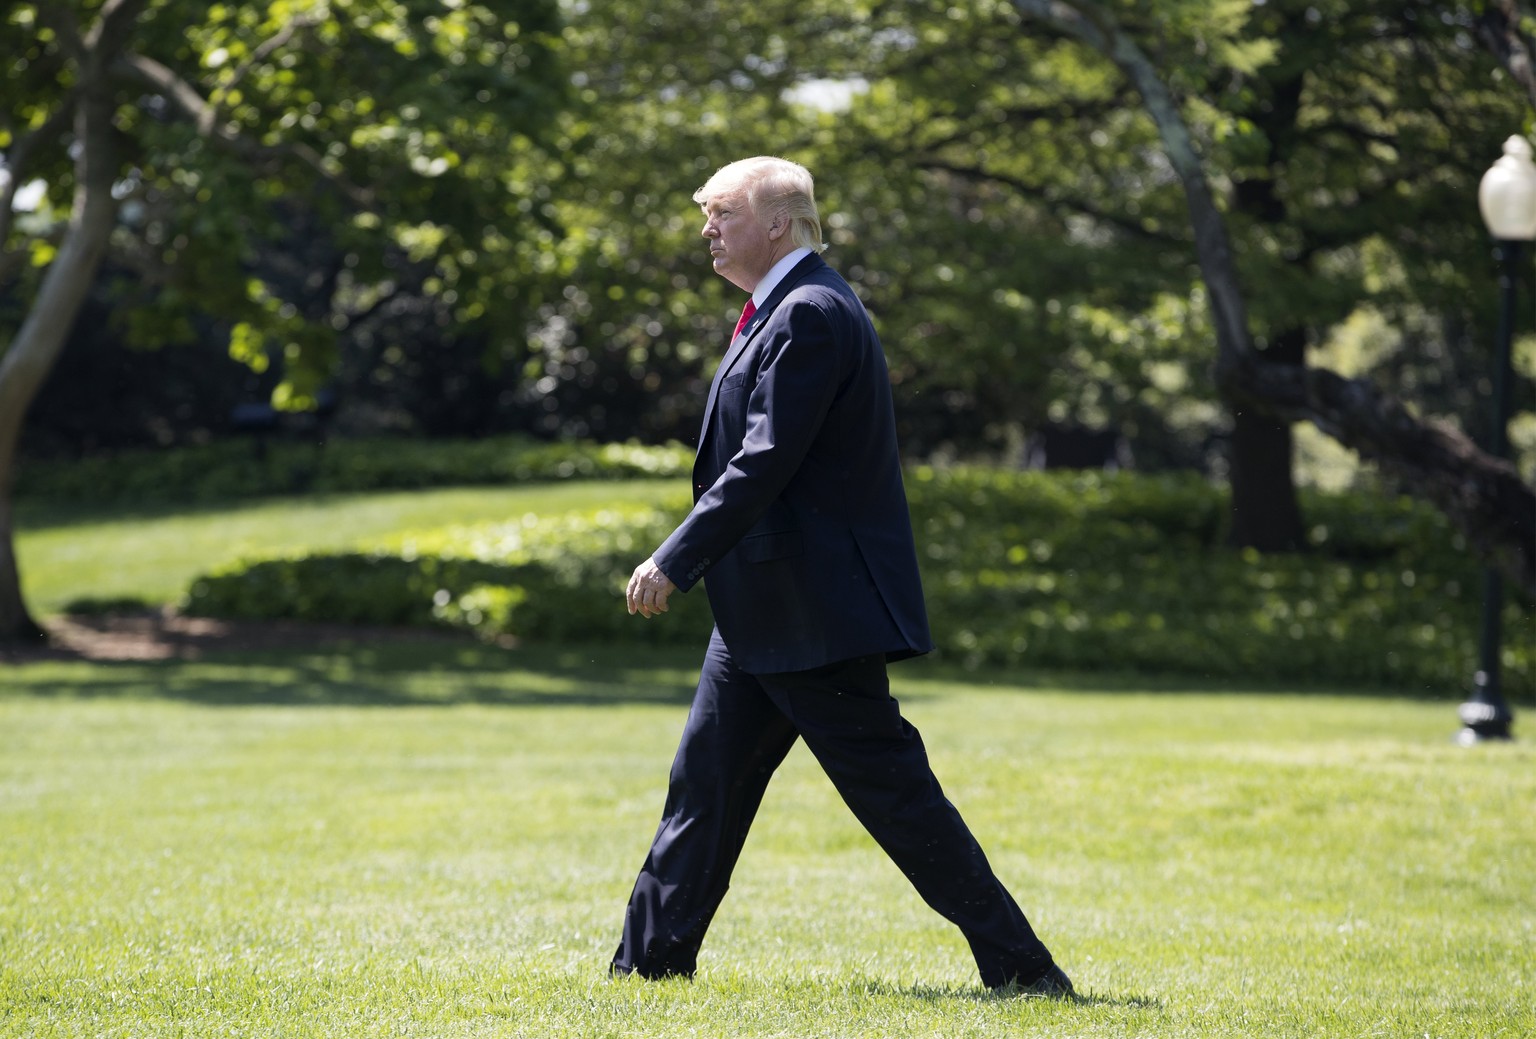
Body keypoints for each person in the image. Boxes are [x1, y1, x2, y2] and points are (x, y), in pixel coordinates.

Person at [612, 156, 1074, 997]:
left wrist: (674, 558)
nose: (706, 229)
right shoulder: (782, 310)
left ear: (779, 222)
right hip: (762, 612)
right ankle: (645, 970)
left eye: (721, 213)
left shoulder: (812, 314)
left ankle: (1025, 971)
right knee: (704, 790)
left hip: (813, 616)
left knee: (898, 800)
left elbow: (763, 463)